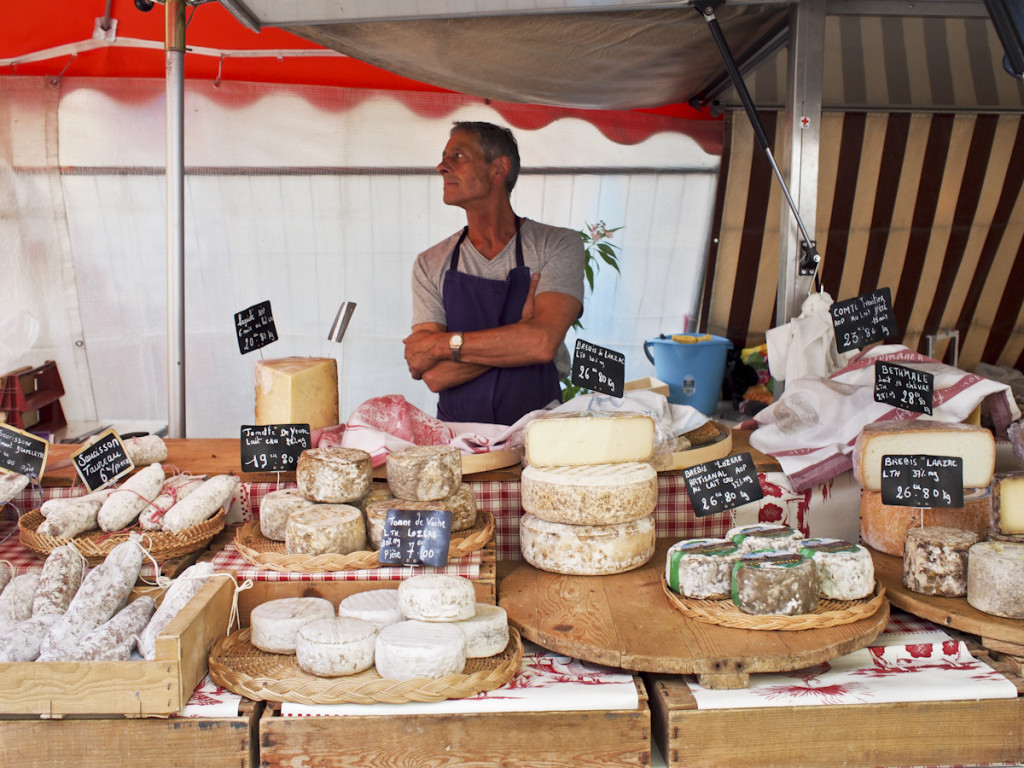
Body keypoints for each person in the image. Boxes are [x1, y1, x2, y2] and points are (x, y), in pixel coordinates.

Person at [404, 121, 585, 425]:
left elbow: (542, 344)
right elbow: (434, 375)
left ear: (499, 169)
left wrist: (442, 345)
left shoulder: (557, 244)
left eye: (458, 156)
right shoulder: (430, 263)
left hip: (540, 434)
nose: (441, 167)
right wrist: (519, 335)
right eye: (444, 157)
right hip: (458, 440)